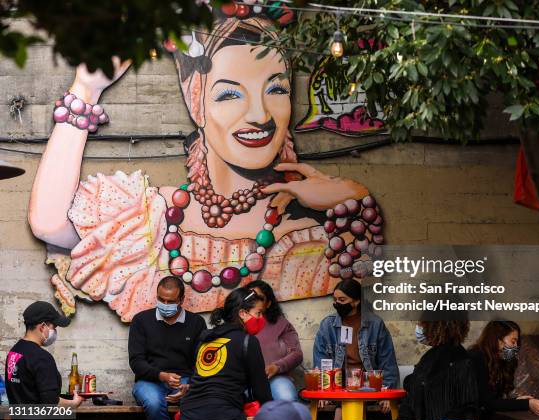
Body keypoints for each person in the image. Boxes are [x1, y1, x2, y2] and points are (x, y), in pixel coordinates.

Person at [28, 3, 378, 325]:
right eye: (230, 94)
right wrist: (87, 90)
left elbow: (369, 264)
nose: (260, 116)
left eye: (276, 89)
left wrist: (350, 192)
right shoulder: (146, 219)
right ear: (196, 101)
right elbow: (47, 222)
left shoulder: (323, 228)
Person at [179, 287, 273, 420]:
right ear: (243, 313)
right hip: (224, 416)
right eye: (258, 313)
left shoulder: (205, 339)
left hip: (189, 413)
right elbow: (261, 389)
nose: (261, 319)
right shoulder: (247, 341)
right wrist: (273, 412)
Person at [314, 278, 399, 420]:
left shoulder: (375, 324)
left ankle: (339, 416)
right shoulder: (327, 325)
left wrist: (387, 392)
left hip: (368, 386)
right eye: (335, 299)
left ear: (356, 301)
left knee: (353, 398)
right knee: (343, 398)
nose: (336, 304)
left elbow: (388, 362)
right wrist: (323, 391)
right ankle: (340, 414)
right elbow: (321, 361)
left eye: (342, 299)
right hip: (338, 386)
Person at [129, 276, 207, 420]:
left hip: (184, 381)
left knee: (196, 402)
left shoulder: (196, 323)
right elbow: (136, 362)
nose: (165, 304)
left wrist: (190, 385)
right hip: (149, 381)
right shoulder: (141, 320)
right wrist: (162, 375)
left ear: (181, 300)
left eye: (171, 301)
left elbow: (201, 363)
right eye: (161, 299)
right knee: (153, 404)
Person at [4, 301, 83, 420]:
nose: (55, 332)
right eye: (54, 327)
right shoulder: (42, 358)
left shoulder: (14, 353)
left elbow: (31, 395)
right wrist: (73, 404)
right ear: (42, 327)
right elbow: (51, 404)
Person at [395, 321, 479, 420]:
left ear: (433, 326)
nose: (419, 327)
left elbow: (419, 388)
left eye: (422, 323)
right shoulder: (462, 355)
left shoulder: (436, 357)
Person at [468, 321, 539, 420]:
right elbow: (487, 403)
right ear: (498, 341)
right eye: (513, 341)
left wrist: (516, 401)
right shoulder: (476, 358)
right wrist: (526, 404)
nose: (516, 346)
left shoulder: (501, 363)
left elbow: (493, 401)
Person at [245, 280, 303, 401]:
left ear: (268, 303)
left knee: (287, 397)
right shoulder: (238, 324)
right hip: (243, 381)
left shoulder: (281, 324)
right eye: (250, 297)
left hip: (275, 379)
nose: (254, 302)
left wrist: (277, 366)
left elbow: (297, 354)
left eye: (259, 298)